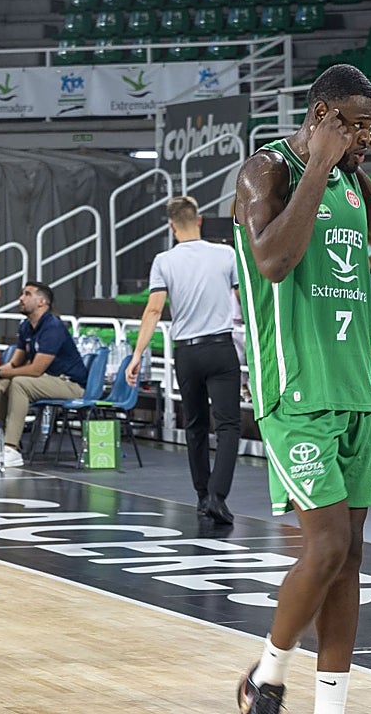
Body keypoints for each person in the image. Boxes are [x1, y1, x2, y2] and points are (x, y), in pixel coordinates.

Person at [232, 63, 371, 714]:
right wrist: (318, 165)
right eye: (358, 126)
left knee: (350, 561)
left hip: (351, 389)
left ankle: (331, 707)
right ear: (322, 118)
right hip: (295, 390)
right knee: (327, 548)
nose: (367, 138)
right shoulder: (268, 172)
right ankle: (266, 676)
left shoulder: (352, 182)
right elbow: (273, 261)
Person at [125, 196, 241, 525]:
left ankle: (203, 495)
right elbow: (244, 299)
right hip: (220, 347)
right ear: (199, 219)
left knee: (195, 426)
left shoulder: (164, 260)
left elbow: (153, 310)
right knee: (229, 425)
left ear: (171, 226)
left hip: (186, 352)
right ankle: (219, 496)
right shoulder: (226, 254)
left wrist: (137, 355)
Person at [0, 281, 86, 469]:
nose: (20, 298)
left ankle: (11, 448)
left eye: (27, 294)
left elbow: (36, 369)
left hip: (69, 383)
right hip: (45, 380)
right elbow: (15, 363)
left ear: (42, 302)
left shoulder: (52, 326)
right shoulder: (26, 327)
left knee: (20, 383)